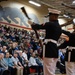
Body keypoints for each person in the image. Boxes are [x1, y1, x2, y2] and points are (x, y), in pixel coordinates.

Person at [28, 8, 62, 75]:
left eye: (50, 16)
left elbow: (38, 26)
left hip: (49, 48)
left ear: (54, 16)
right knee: (51, 70)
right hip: (54, 49)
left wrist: (32, 23)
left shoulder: (51, 24)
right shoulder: (58, 26)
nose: (49, 18)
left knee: (48, 70)